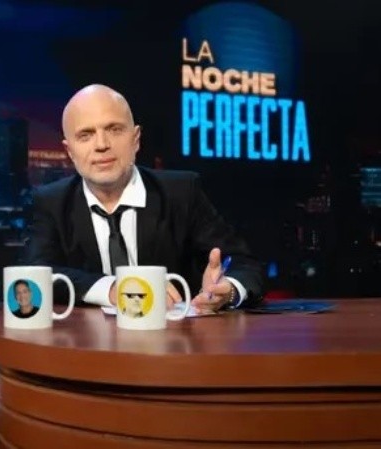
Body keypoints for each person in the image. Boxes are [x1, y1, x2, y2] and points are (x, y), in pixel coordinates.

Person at [23, 84, 264, 313]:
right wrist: (113, 288)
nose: (102, 145)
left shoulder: (182, 192)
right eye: (86, 135)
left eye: (114, 129)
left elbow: (244, 264)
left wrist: (228, 290)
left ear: (135, 139)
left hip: (175, 338)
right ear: (70, 151)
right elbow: (35, 273)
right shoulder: (52, 202)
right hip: (89, 340)